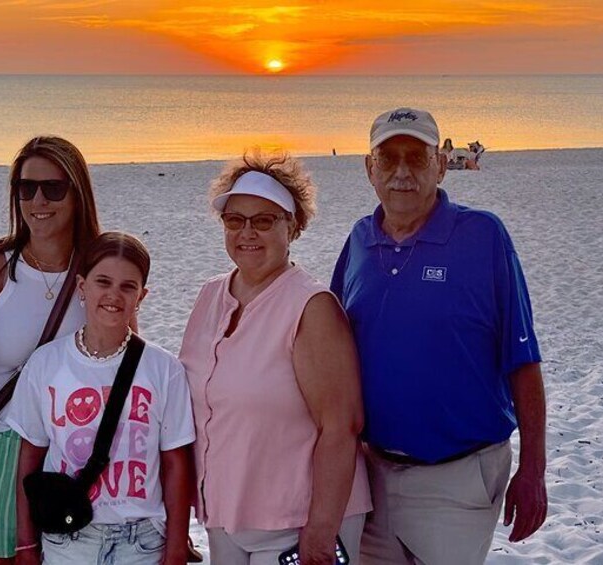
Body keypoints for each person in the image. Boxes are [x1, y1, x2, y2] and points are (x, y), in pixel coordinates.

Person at [330, 107, 547, 564]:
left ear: (441, 164)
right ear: (369, 168)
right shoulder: (359, 240)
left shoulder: (483, 236)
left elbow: (523, 358)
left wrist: (533, 470)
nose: (402, 172)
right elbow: (332, 351)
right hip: (370, 474)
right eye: (388, 159)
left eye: (417, 157)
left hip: (457, 476)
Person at [179, 150, 372, 565]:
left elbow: (342, 426)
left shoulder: (311, 306)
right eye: (235, 220)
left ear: (293, 226)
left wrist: (320, 535)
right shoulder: (211, 294)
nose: (247, 232)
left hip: (296, 525)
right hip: (226, 517)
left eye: (264, 220)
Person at [7, 232, 196, 565]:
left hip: (142, 542)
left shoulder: (164, 368)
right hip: (68, 540)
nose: (113, 295)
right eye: (103, 282)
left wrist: (177, 546)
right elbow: (29, 458)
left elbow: (175, 462)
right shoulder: (46, 363)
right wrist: (25, 544)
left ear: (142, 296)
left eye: (128, 286)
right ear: (82, 286)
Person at [0, 136, 101, 564]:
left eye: (53, 188)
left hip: (78, 448)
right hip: (2, 445)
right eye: (26, 188)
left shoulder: (100, 270)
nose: (38, 199)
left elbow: (128, 365)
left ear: (77, 193)